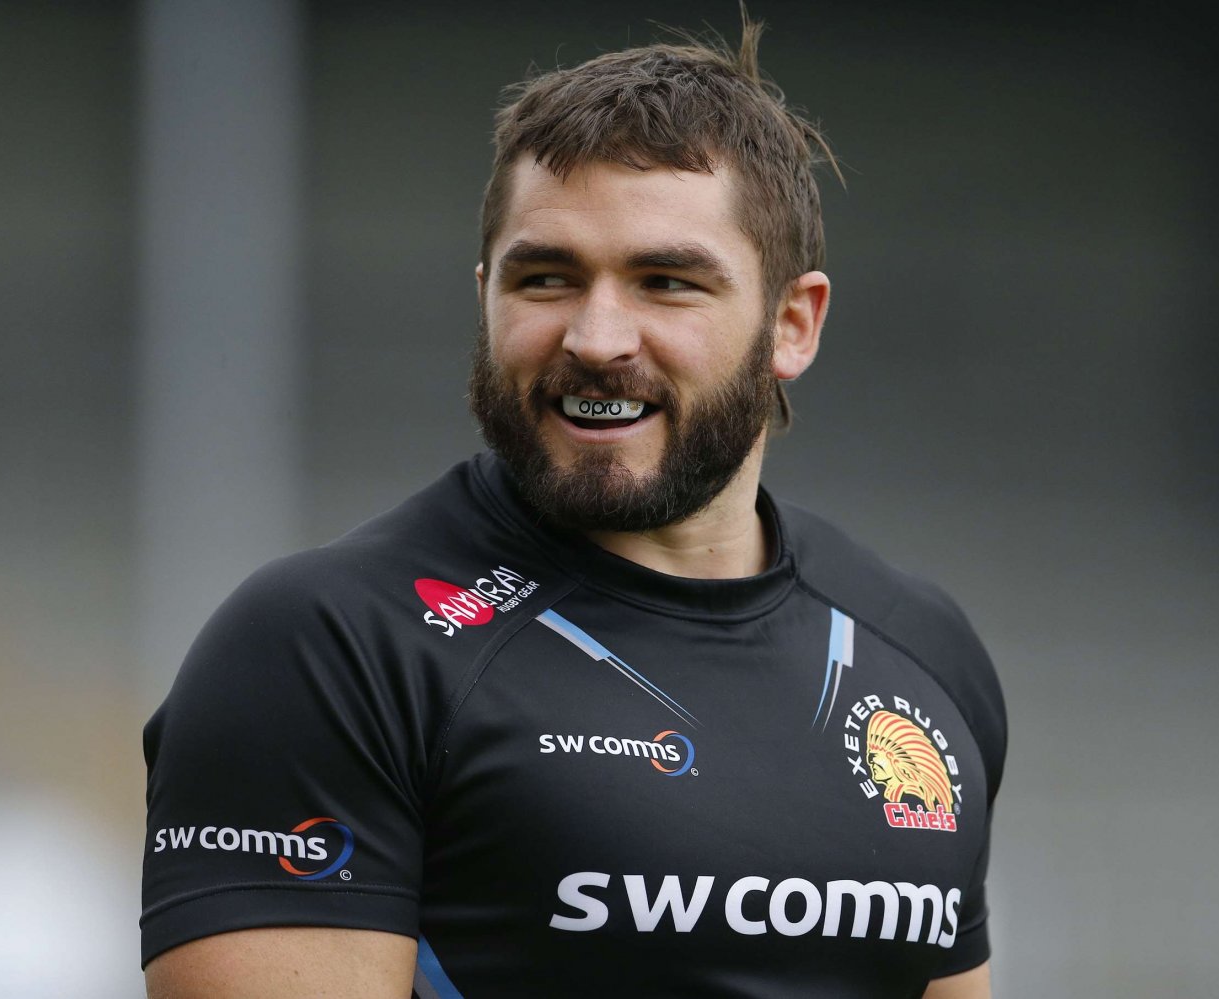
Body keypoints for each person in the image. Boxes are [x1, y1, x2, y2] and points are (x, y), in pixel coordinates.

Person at [141, 13, 1006, 999]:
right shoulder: (329, 648)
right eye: (546, 278)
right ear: (485, 297)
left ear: (792, 323)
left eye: (666, 283)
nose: (596, 338)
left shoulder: (922, 650)